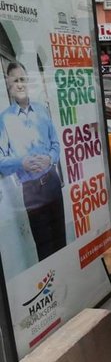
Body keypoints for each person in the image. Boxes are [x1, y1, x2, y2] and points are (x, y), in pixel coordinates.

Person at [0, 61, 67, 261]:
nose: (20, 85)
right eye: (15, 81)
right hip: (31, 190)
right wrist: (22, 163)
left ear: (27, 82)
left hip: (52, 181)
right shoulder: (4, 120)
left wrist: (50, 159)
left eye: (22, 80)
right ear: (9, 86)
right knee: (45, 249)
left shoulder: (41, 111)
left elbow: (55, 143)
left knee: (61, 241)